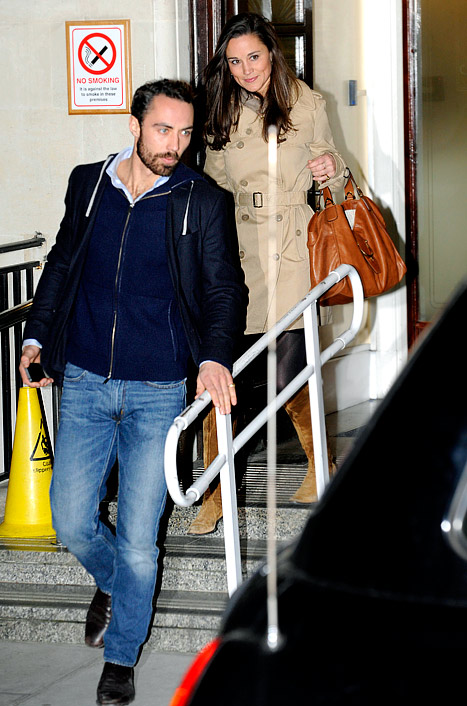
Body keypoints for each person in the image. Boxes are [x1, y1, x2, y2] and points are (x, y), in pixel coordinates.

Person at [19, 79, 245, 706]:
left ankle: (120, 658)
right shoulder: (89, 184)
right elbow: (62, 262)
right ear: (134, 125)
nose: (175, 144)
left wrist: (213, 357)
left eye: (185, 132)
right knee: (70, 522)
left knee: (141, 542)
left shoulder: (202, 199)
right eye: (163, 129)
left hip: (158, 389)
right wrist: (37, 335)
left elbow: (225, 289)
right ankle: (118, 582)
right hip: (85, 380)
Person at [187, 12, 347, 535]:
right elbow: (211, 187)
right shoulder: (221, 109)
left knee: (287, 372)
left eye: (253, 57)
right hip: (239, 251)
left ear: (272, 54)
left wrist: (333, 171)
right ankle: (214, 492)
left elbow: (337, 174)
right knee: (221, 370)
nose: (245, 70)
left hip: (292, 249)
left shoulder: (306, 102)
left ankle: (319, 464)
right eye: (234, 62)